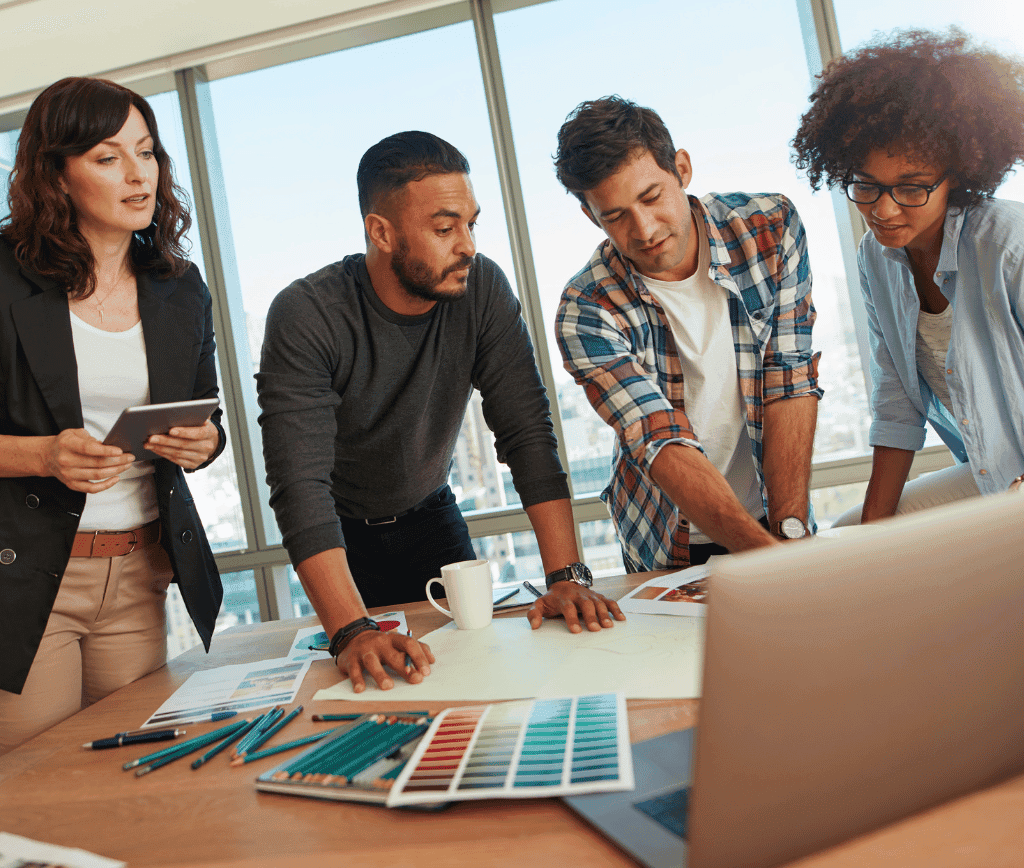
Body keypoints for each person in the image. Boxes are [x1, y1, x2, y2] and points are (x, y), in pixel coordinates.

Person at [257, 131, 623, 695]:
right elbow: (299, 485)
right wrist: (352, 629)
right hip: (339, 540)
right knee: (373, 693)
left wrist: (566, 576)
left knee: (472, 679)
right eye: (445, 228)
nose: (468, 246)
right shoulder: (307, 314)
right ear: (381, 232)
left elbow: (527, 431)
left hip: (432, 521)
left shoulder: (482, 290)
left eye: (472, 224)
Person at [0, 77, 225, 753]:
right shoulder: (2, 277)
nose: (138, 175)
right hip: (28, 576)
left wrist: (200, 442)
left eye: (147, 152)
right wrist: (43, 455)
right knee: (35, 795)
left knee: (129, 778)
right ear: (56, 176)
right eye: (107, 157)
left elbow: (207, 422)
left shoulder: (179, 287)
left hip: (141, 569)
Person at [554, 97, 822, 571]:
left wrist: (789, 537)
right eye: (615, 215)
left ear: (682, 168)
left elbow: (790, 379)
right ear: (590, 215)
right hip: (667, 545)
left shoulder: (769, 227)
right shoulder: (586, 308)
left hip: (777, 518)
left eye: (651, 197)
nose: (644, 229)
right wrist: (768, 560)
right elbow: (659, 439)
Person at [791, 28, 1024, 523]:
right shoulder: (876, 259)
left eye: (912, 189)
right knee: (851, 533)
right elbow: (897, 406)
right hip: (997, 475)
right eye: (867, 187)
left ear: (957, 174)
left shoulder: (1010, 245)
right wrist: (872, 536)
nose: (884, 210)